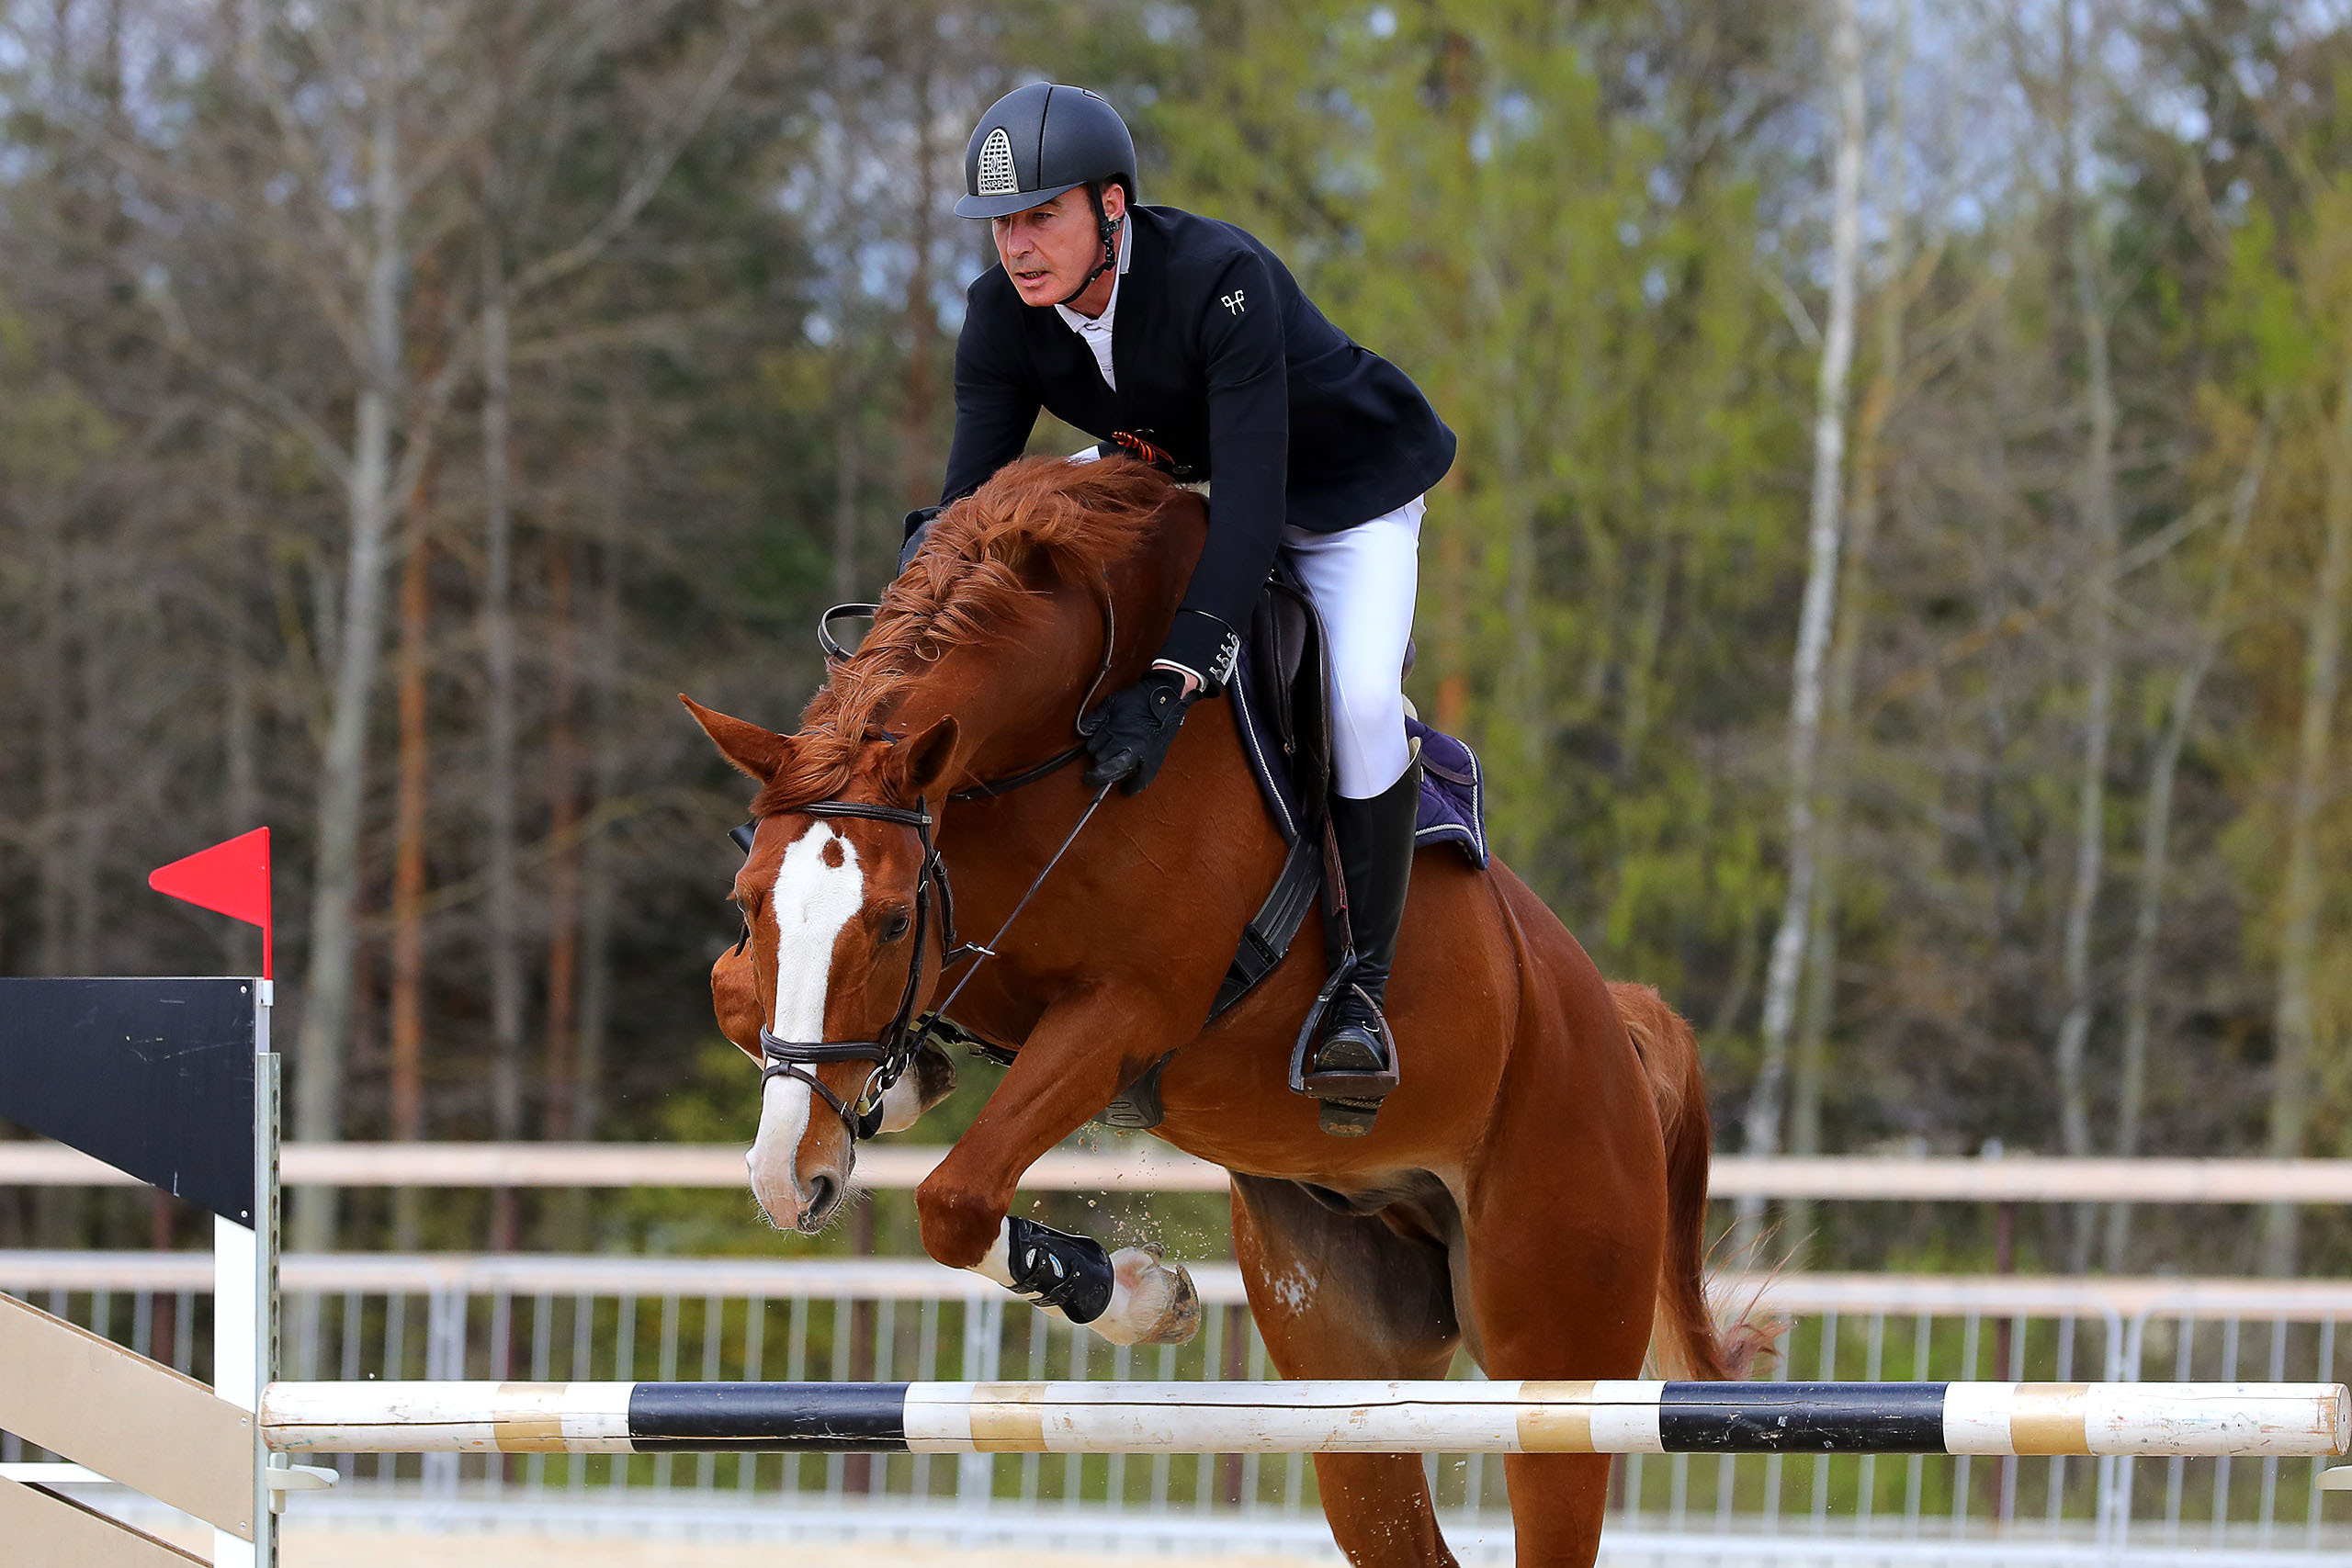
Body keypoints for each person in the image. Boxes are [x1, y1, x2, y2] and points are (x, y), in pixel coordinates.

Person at [909, 82, 1454, 1097]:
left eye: (1041, 217)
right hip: (1192, 480)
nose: (1017, 248)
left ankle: (1359, 992)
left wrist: (1175, 675)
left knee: (1361, 700)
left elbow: (1253, 509)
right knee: (1013, 540)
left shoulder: (1220, 278)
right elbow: (967, 505)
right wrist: (917, 619)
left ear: (1111, 209)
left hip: (1340, 499)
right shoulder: (998, 315)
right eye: (1000, 226)